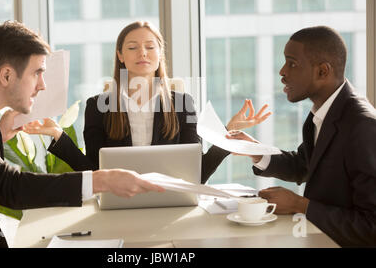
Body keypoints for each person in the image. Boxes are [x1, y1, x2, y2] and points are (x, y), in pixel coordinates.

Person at [0, 21, 164, 248]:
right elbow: (8, 186)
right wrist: (102, 180)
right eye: (37, 73)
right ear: (7, 75)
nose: (43, 85)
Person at [25, 21, 271, 184]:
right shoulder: (97, 106)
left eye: (149, 47)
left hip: (171, 202)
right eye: (132, 47)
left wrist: (226, 134)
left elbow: (198, 174)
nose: (142, 53)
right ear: (120, 56)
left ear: (159, 54)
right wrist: (58, 134)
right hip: (118, 205)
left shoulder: (183, 103)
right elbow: (92, 171)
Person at [228, 26, 376, 247]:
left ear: (322, 72)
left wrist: (300, 205)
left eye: (292, 63)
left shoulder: (363, 126)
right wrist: (256, 151)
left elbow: (371, 226)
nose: (282, 72)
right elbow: (304, 164)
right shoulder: (323, 112)